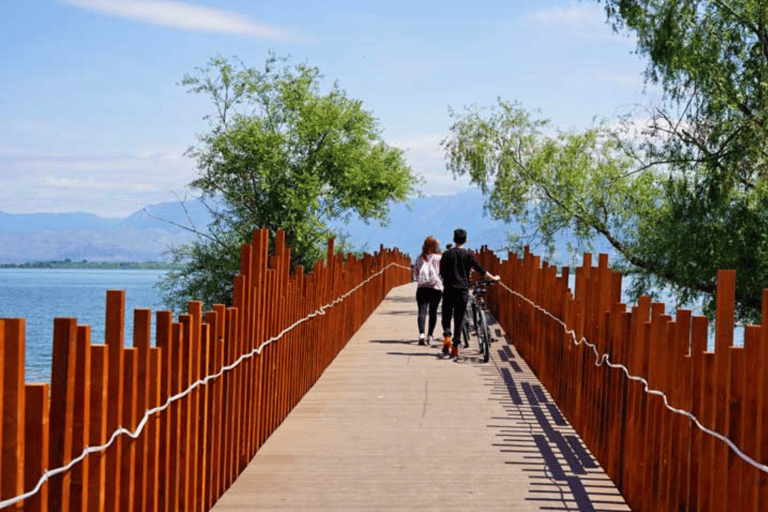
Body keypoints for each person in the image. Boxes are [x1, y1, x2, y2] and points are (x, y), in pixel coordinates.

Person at [439, 228, 500, 359]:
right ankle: (455, 347)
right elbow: (481, 270)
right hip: (462, 290)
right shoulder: (468, 255)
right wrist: (493, 278)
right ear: (465, 240)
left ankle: (447, 336)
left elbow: (442, 272)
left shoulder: (446, 254)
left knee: (446, 314)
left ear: (454, 239)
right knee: (459, 317)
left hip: (449, 289)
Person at [411, 236, 443, 346]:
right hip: (436, 288)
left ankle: (421, 334)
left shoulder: (420, 258)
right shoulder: (439, 258)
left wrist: (420, 280)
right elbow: (444, 272)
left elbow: (415, 272)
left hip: (422, 288)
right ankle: (430, 335)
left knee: (422, 311)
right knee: (433, 312)